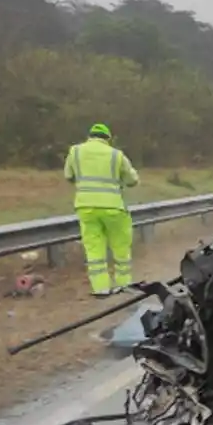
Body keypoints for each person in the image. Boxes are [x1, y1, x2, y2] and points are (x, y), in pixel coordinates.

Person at [64, 123, 140, 296]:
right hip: (114, 207)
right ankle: (124, 285)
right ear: (108, 139)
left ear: (90, 136)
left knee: (94, 248)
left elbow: (68, 175)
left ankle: (101, 289)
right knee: (120, 247)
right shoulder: (116, 155)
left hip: (86, 207)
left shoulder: (75, 152)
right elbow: (133, 179)